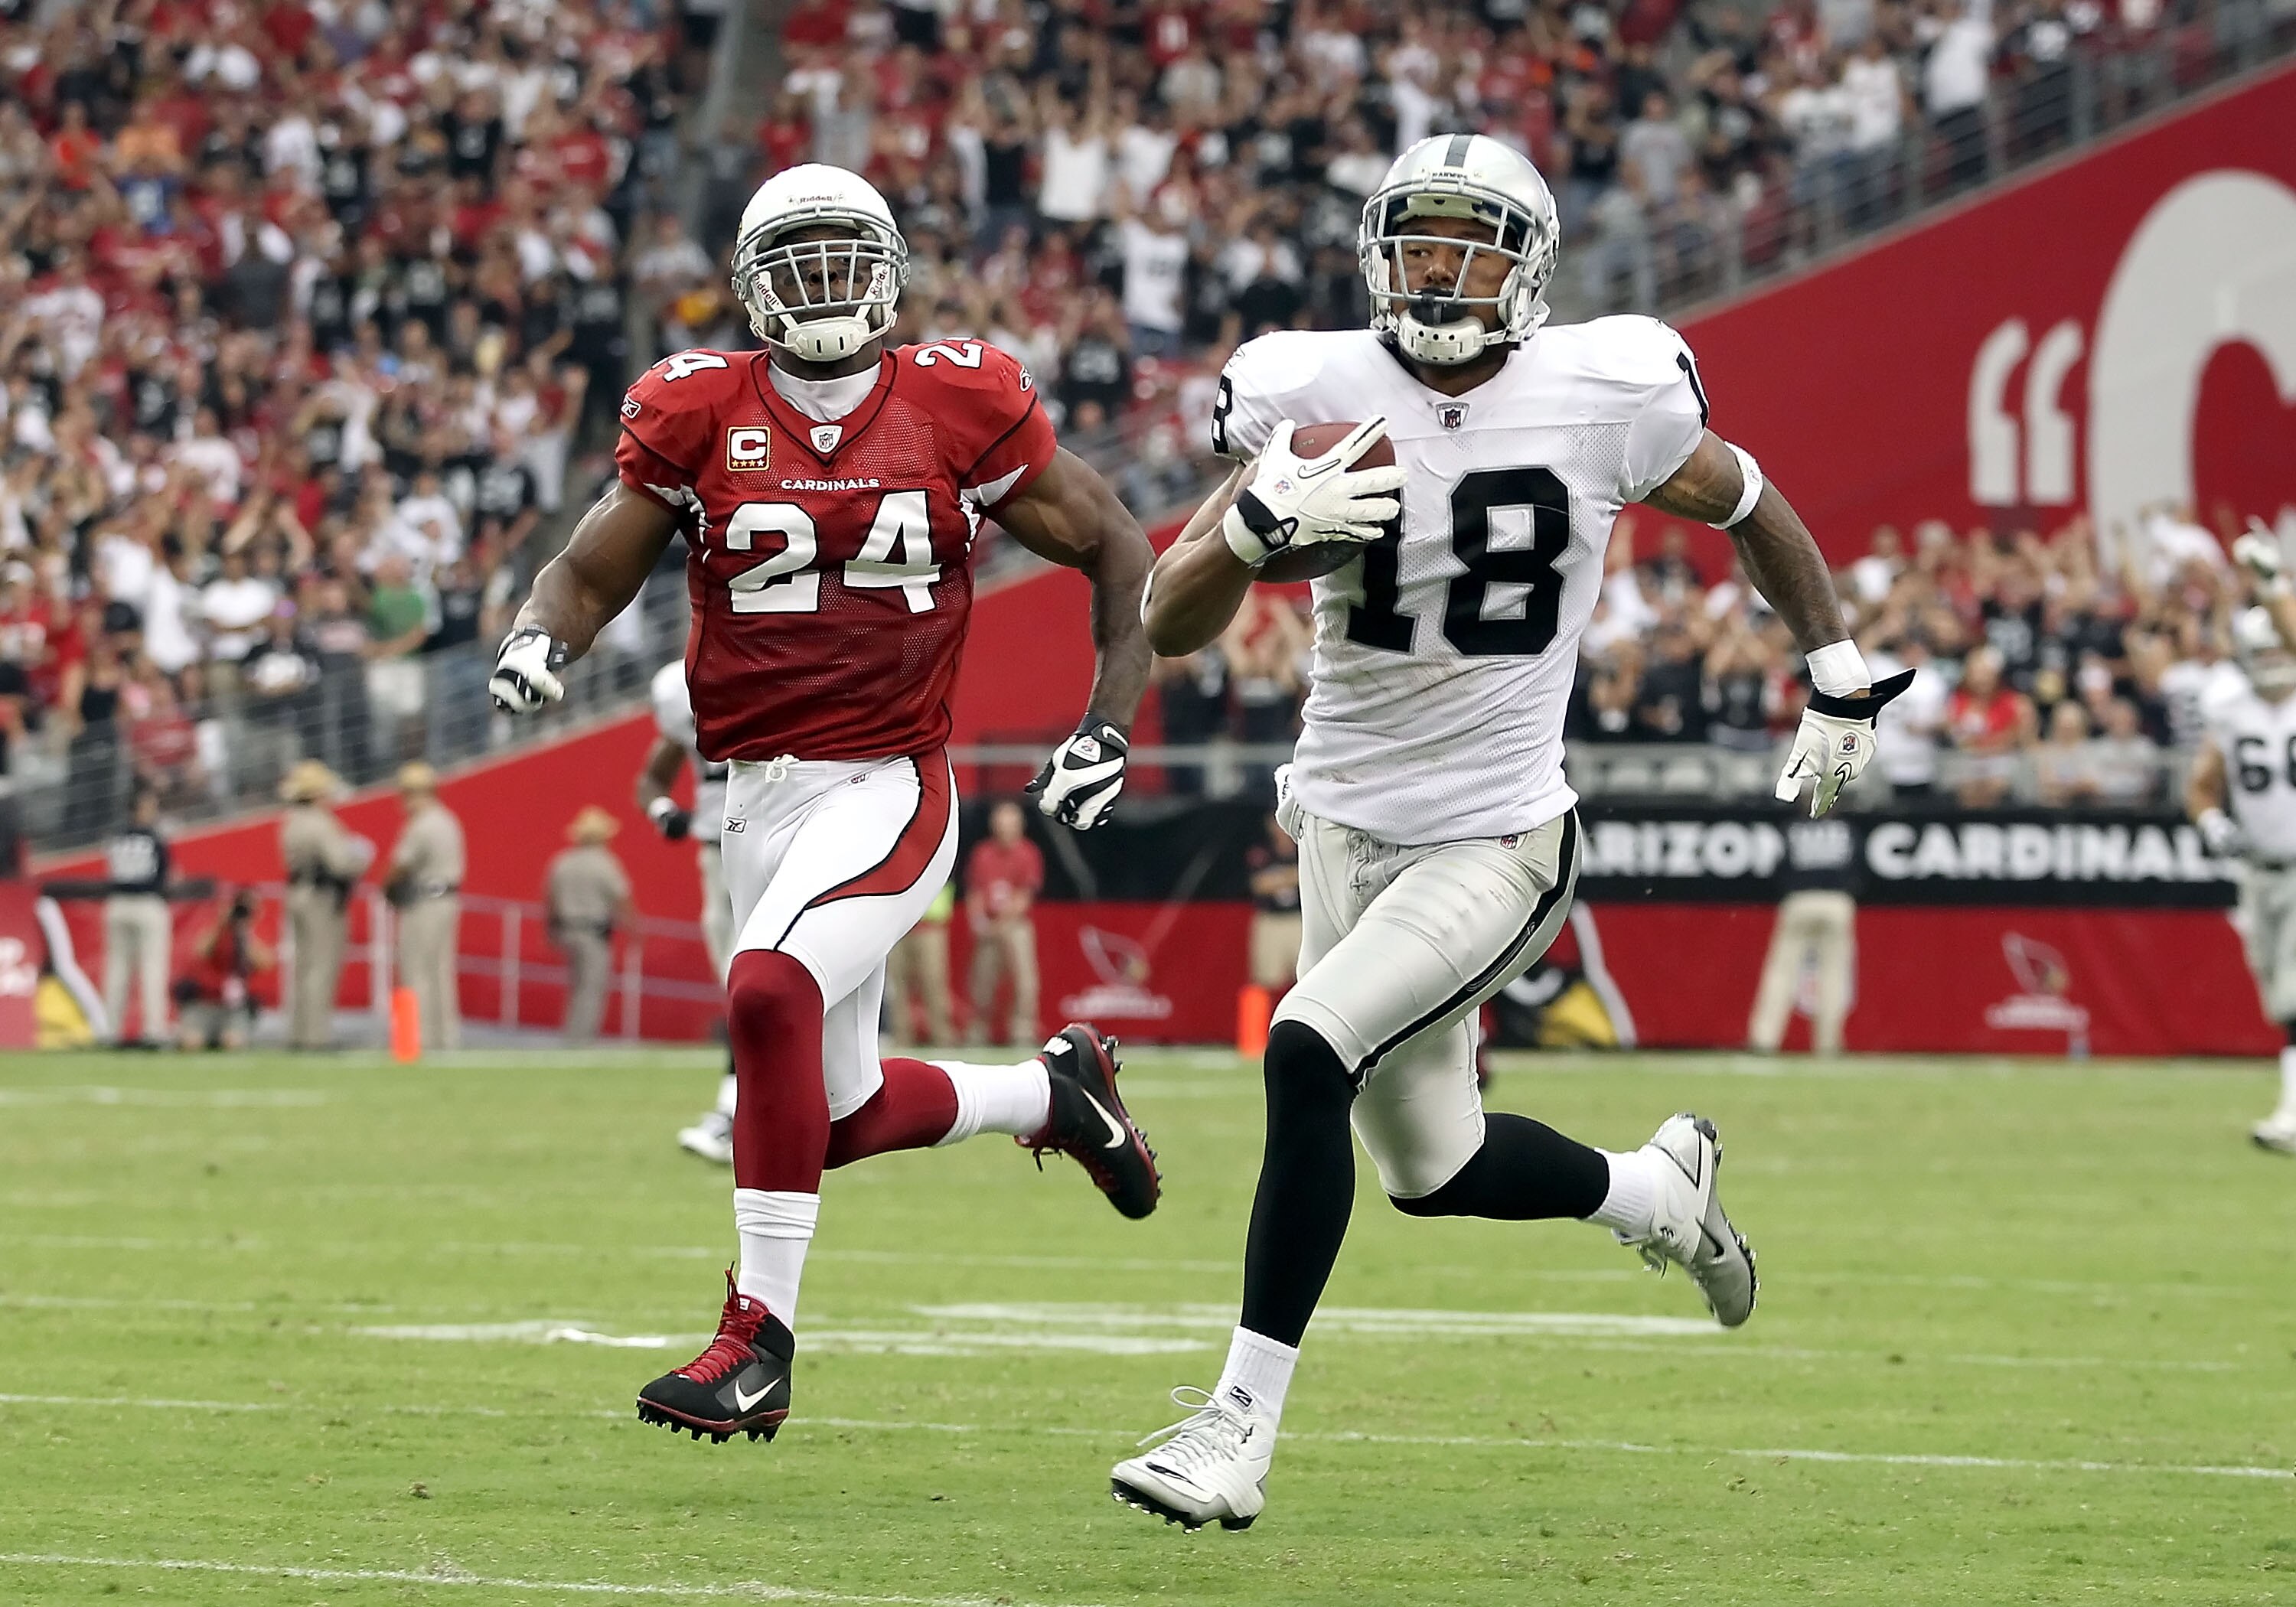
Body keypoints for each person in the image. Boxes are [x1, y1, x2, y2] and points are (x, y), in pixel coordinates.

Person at [1111, 133, 1909, 1530]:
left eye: (1471, 244)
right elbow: (1169, 618)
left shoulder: (1606, 391)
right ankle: (1658, 1196)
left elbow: (1748, 498)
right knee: (1433, 1167)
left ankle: (1235, 1430)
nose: (1439, 269)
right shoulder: (1317, 391)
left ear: (1528, 267)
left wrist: (1835, 663)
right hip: (1345, 827)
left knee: (1304, 1052)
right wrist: (1247, 536)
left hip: (1498, 840)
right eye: (1418, 240)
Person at [488, 162, 1160, 1451]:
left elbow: (1120, 544)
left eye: (848, 259)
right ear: (751, 288)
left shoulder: (961, 400)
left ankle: (760, 1344)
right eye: (798, 263)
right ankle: (1055, 1095)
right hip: (755, 798)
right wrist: (539, 636)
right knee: (832, 1118)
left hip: (889, 782)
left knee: (763, 998)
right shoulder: (696, 409)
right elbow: (589, 565)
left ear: (893, 271)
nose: (827, 287)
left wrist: (1108, 720)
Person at [2193, 534, 2296, 1154]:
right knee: (2276, 992)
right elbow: (2202, 784)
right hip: (2260, 871)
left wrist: (2271, 582)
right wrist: (2210, 821)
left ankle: (2291, 1115)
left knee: (2295, 999)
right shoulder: (2231, 709)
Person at [641, 659, 742, 1163]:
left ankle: (734, 1114)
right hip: (717, 853)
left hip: (772, 849)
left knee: (756, 985)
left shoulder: (775, 671)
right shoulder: (682, 693)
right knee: (738, 985)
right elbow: (654, 776)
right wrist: (664, 812)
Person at [279, 759, 374, 1051]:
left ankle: (300, 1032)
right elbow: (341, 863)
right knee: (321, 967)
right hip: (321, 898)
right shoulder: (320, 823)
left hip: (298, 891)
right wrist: (361, 855)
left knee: (304, 967)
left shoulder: (291, 822)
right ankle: (317, 1036)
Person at [385, 762, 466, 1052]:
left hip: (422, 901)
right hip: (447, 899)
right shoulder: (448, 821)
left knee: (415, 970)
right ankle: (445, 1039)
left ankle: (412, 1040)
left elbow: (400, 866)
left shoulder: (421, 825)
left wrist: (388, 888)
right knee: (441, 972)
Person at [546, 807, 633, 1045]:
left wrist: (551, 931)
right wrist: (634, 927)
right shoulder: (605, 864)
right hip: (594, 932)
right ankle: (582, 1040)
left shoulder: (562, 863)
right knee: (592, 988)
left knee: (576, 987)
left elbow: (550, 900)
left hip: (567, 929)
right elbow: (622, 897)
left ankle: (571, 1036)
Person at [964, 800, 1044, 1045]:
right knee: (982, 981)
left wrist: (1003, 921)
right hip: (988, 924)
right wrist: (978, 920)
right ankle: (978, 1029)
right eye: (1001, 824)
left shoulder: (1028, 853)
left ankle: (1022, 1029)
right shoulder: (983, 853)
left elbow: (1025, 895)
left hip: (1015, 924)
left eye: (1010, 825)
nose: (1005, 830)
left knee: (1025, 979)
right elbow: (975, 890)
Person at [101, 787, 174, 1047]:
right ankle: (154, 1030)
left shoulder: (116, 837)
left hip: (118, 903)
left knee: (116, 970)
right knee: (152, 968)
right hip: (146, 903)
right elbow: (165, 874)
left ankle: (109, 1030)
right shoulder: (154, 837)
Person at [174, 887, 274, 1051]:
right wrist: (221, 924)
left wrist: (244, 932)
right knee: (192, 1042)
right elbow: (200, 951)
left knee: (233, 1042)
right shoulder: (216, 930)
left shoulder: (252, 935)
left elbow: (266, 962)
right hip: (205, 1002)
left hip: (234, 1007)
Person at [884, 883, 957, 1046]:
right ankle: (902, 1038)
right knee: (898, 985)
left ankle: (942, 1037)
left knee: (934, 981)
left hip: (930, 925)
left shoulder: (935, 860)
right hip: (899, 928)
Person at [1245, 813, 1302, 993]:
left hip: (1300, 920)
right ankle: (1262, 1021)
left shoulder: (1304, 849)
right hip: (1271, 920)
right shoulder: (1262, 852)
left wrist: (1277, 879)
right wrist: (1292, 876)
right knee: (1265, 981)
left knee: (1307, 976)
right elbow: (1259, 885)